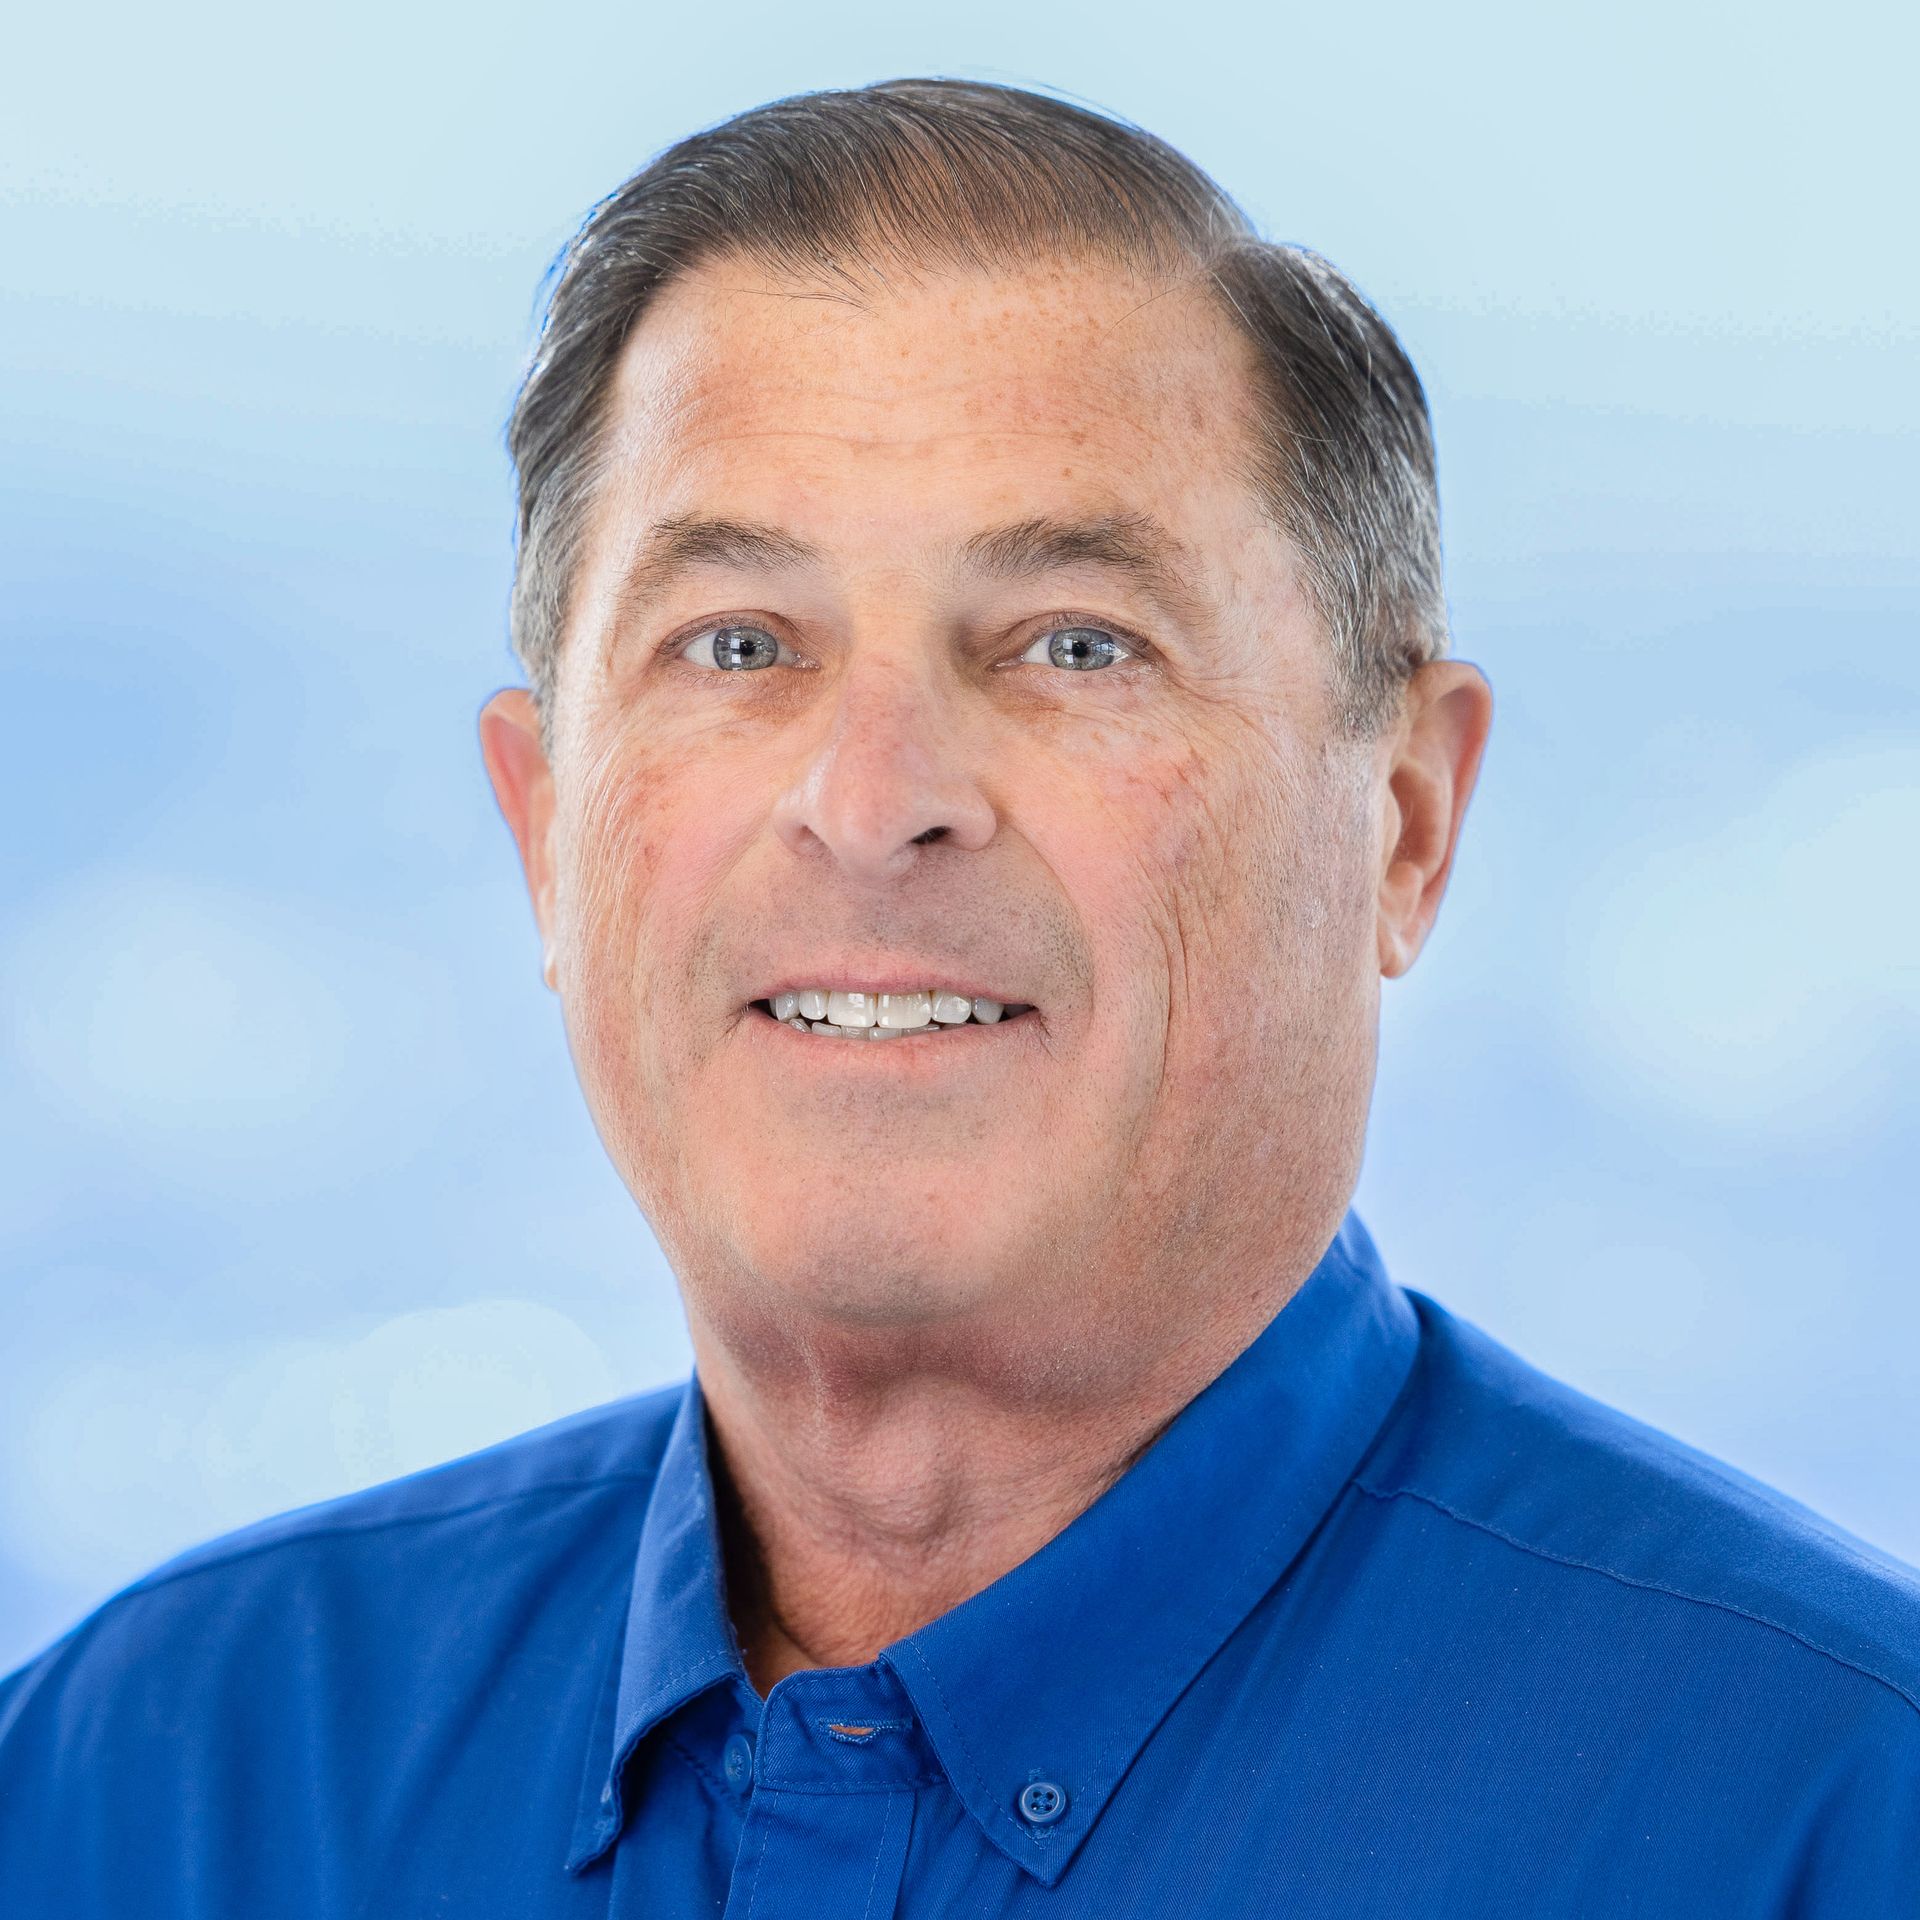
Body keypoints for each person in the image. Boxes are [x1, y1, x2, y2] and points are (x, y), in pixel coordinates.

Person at [2, 76, 1916, 1919]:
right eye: (738, 643)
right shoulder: (136, 1789)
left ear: (1405, 820)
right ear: (547, 834)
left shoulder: (1831, 1815)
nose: (875, 801)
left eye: (1077, 644)